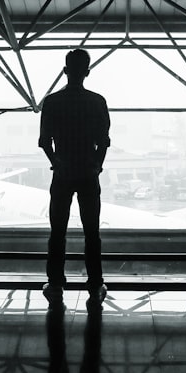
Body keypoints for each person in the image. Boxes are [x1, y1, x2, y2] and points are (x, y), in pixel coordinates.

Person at [38, 48, 110, 305]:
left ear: (65, 71)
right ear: (87, 72)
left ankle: (56, 284)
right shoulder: (97, 102)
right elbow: (103, 141)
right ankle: (95, 284)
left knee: (58, 231)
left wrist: (56, 162)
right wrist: (96, 166)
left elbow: (45, 142)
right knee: (92, 232)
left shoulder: (53, 102)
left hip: (63, 172)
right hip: (88, 173)